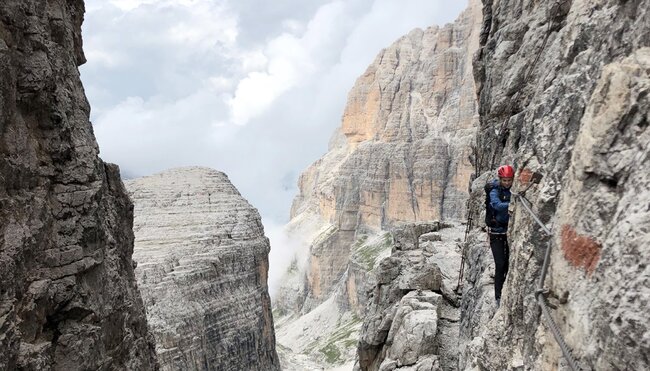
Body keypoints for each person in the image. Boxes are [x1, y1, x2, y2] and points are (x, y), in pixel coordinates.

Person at [486, 165, 514, 307]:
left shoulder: (513, 190)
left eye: (509, 180)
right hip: (496, 232)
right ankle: (498, 296)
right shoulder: (494, 190)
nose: (507, 183)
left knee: (509, 263)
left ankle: (505, 291)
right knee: (500, 264)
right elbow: (496, 205)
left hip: (508, 231)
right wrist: (512, 203)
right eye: (504, 180)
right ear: (500, 179)